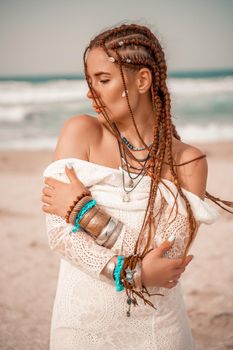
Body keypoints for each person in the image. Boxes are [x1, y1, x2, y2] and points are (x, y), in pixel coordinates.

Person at [41, 23, 232, 350]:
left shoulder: (188, 161)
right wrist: (135, 272)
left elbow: (166, 260)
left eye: (103, 80)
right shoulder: (81, 133)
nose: (91, 92)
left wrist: (85, 213)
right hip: (80, 325)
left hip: (159, 331)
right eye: (90, 81)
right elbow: (60, 236)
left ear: (142, 80)